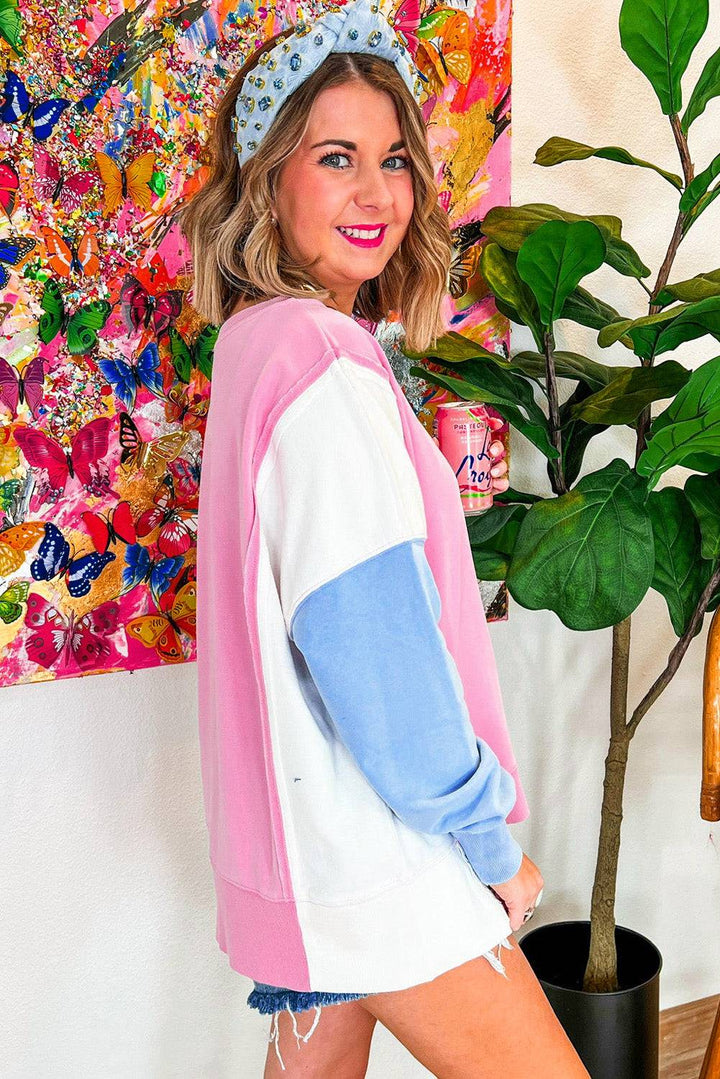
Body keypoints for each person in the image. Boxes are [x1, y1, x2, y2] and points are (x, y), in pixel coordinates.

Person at [180, 1, 590, 1076]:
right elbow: (372, 649)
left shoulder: (253, 349)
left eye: (396, 158)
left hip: (305, 857)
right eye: (336, 157)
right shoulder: (320, 366)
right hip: (377, 857)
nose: (379, 193)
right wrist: (487, 842)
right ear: (270, 180)